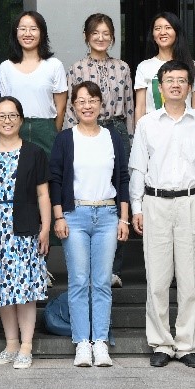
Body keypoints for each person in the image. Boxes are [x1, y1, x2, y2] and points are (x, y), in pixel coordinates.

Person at [130, 60, 195, 369]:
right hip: (155, 203)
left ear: (189, 86)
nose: (176, 85)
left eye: (182, 80)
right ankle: (160, 343)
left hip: (190, 203)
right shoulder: (147, 123)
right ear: (160, 87)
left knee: (189, 279)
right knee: (157, 279)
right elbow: (137, 169)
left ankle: (186, 345)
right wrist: (137, 207)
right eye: (169, 80)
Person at [49, 81, 130, 368]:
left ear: (100, 104)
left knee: (102, 282)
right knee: (79, 281)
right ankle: (82, 342)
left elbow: (122, 178)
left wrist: (123, 218)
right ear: (73, 106)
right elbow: (55, 179)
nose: (87, 106)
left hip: (107, 215)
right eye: (81, 101)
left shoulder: (112, 137)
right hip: (75, 215)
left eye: (92, 100)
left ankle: (101, 342)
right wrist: (59, 216)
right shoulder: (65, 138)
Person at [0, 95, 51, 369]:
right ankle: (11, 345)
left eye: (12, 115)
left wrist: (45, 228)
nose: (7, 121)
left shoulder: (34, 153)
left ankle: (26, 347)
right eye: (1, 116)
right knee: (1, 288)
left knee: (25, 289)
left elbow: (43, 194)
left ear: (21, 119)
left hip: (25, 228)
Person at [63, 12, 134, 288]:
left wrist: (131, 138)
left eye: (106, 33)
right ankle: (86, 265)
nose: (101, 38)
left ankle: (113, 268)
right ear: (86, 36)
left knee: (118, 191)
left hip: (116, 129)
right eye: (95, 33)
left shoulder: (123, 67)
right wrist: (70, 138)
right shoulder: (77, 68)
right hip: (84, 130)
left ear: (113, 37)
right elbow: (72, 107)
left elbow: (129, 106)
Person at [0, 11, 68, 155]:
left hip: (46, 130)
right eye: (22, 29)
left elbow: (61, 108)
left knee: (47, 169)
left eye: (33, 29)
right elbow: (3, 105)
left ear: (42, 33)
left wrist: (52, 133)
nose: (27, 33)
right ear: (16, 33)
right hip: (14, 128)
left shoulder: (54, 65)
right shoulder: (5, 67)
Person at [133, 11, 195, 124]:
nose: (162, 32)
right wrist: (139, 133)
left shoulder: (192, 65)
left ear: (176, 32)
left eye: (168, 28)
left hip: (185, 127)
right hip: (154, 128)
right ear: (153, 35)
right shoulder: (144, 67)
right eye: (158, 28)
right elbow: (140, 108)